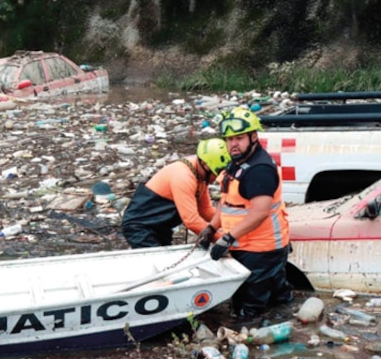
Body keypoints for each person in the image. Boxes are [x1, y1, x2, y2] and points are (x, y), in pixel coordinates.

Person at [199, 106, 293, 319]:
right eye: (229, 139)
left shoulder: (259, 170)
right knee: (274, 295)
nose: (233, 144)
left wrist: (228, 238)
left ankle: (260, 334)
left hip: (262, 249)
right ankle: (286, 316)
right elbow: (227, 202)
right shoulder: (236, 164)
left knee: (247, 308)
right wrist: (211, 227)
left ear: (253, 137)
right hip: (247, 245)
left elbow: (259, 212)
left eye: (239, 138)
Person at [120, 139, 231, 248]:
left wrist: (232, 227)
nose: (219, 178)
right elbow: (191, 221)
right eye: (217, 173)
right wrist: (224, 240)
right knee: (159, 263)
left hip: (160, 227)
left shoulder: (199, 174)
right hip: (140, 227)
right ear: (205, 164)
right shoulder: (184, 177)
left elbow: (205, 210)